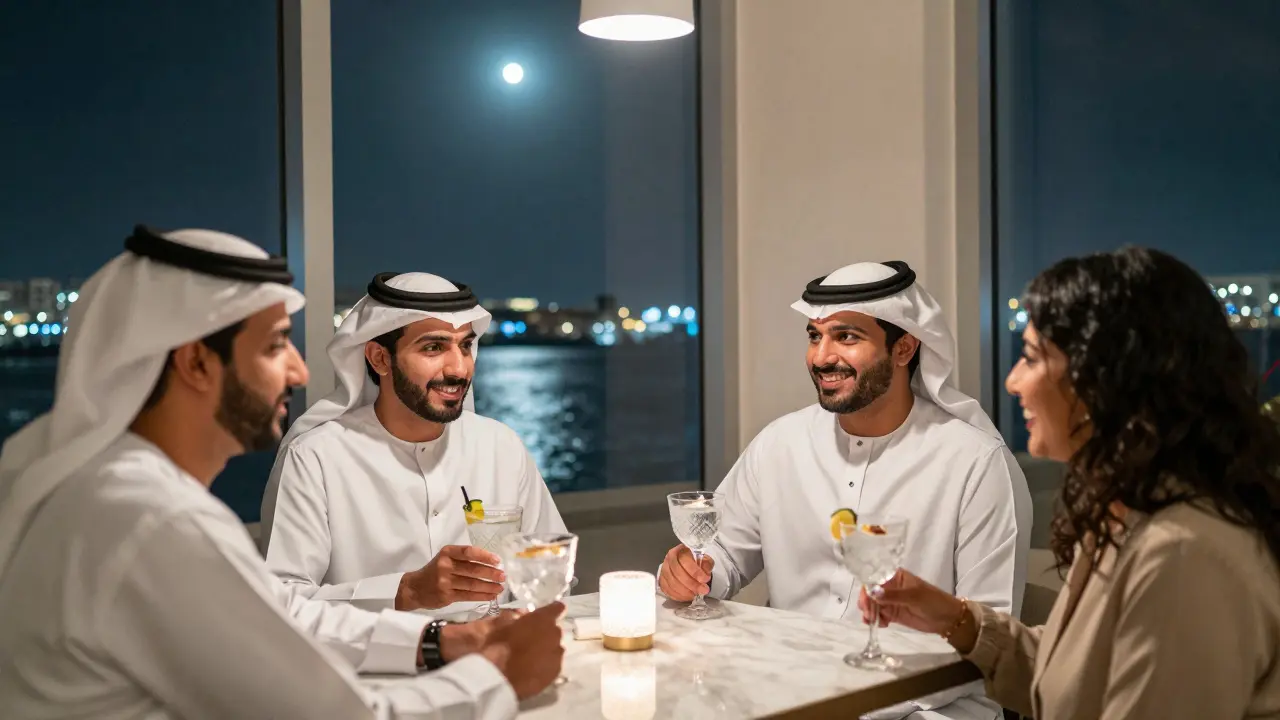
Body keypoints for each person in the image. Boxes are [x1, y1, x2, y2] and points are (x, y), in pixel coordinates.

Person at [0, 226, 564, 719]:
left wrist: (441, 643)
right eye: (275, 346)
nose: (298, 370)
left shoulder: (117, 493)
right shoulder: (148, 520)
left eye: (466, 346)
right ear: (196, 362)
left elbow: (283, 617)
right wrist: (496, 675)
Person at [863, 248, 1280, 719]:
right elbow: (1079, 679)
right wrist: (952, 618)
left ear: (1105, 381)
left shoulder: (1183, 554)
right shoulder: (1131, 513)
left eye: (1033, 358)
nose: (1013, 382)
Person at [659, 261, 1032, 720]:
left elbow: (990, 640)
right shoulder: (780, 444)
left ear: (905, 348)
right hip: (791, 695)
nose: (821, 357)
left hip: (930, 708)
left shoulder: (976, 464)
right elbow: (724, 557)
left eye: (847, 337)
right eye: (815, 336)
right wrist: (692, 572)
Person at [260, 272, 565, 614]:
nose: (459, 368)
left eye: (465, 346)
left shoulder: (501, 446)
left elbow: (550, 567)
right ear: (379, 358)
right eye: (433, 347)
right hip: (370, 665)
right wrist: (405, 591)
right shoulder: (315, 457)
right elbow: (281, 603)